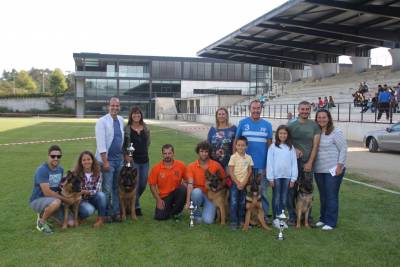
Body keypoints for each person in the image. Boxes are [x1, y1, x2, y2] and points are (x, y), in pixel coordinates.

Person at [235, 100, 273, 222]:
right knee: (246, 191)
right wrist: (235, 159)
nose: (256, 110)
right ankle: (246, 217)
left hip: (262, 165)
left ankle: (264, 216)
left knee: (262, 192)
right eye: (254, 108)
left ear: (261, 109)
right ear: (249, 109)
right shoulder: (242, 123)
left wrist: (269, 165)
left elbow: (270, 147)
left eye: (258, 108)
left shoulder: (267, 125)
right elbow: (236, 142)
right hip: (245, 165)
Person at [287, 101, 321, 226]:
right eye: (303, 109)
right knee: (291, 190)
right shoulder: (291, 125)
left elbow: (316, 145)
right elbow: (284, 139)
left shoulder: (314, 126)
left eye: (307, 109)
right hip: (292, 163)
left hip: (307, 163)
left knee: (307, 190)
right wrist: (294, 148)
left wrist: (310, 162)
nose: (305, 111)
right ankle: (292, 216)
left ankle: (308, 217)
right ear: (298, 109)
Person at [29, 145, 76, 234]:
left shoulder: (60, 169)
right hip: (38, 200)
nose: (56, 158)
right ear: (48, 156)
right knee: (57, 201)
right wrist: (66, 200)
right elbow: (47, 193)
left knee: (71, 223)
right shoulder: (42, 170)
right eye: (53, 156)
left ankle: (47, 214)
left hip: (53, 200)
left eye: (58, 156)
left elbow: (59, 186)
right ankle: (41, 223)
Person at [314, 110, 347, 230]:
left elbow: (343, 148)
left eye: (324, 117)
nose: (321, 119)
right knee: (323, 196)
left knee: (331, 195)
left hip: (333, 169)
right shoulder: (316, 132)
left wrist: (340, 165)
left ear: (329, 118)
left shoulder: (335, 132)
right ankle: (323, 219)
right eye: (319, 117)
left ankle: (331, 222)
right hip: (319, 169)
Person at [95, 97, 124, 222]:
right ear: (108, 106)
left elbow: (120, 139)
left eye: (117, 106)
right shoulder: (101, 121)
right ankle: (105, 214)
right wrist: (105, 161)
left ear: (119, 107)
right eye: (113, 105)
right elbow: (101, 143)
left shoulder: (121, 120)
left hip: (119, 160)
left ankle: (116, 212)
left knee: (116, 188)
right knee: (106, 189)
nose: (115, 108)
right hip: (108, 161)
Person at [185, 141, 226, 224]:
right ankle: (196, 214)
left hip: (211, 195)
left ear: (209, 152)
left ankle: (203, 215)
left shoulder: (216, 165)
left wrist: (219, 189)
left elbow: (224, 178)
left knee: (208, 221)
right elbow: (189, 185)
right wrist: (188, 201)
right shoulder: (191, 166)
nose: (204, 154)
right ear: (198, 152)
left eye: (206, 151)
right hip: (198, 194)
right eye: (202, 151)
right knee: (196, 192)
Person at [267, 125, 298, 229]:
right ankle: (275, 219)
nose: (283, 135)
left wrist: (293, 178)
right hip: (276, 177)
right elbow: (269, 163)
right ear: (277, 135)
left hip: (287, 177)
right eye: (280, 133)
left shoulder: (291, 147)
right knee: (276, 198)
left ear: (287, 135)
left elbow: (294, 163)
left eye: (285, 133)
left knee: (284, 199)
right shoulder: (273, 147)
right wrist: (270, 178)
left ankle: (281, 218)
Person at [124, 106, 151, 216]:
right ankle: (136, 206)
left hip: (145, 160)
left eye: (138, 113)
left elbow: (148, 142)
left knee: (143, 184)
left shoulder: (145, 127)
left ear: (141, 115)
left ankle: (131, 202)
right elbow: (124, 145)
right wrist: (126, 155)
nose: (136, 115)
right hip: (133, 160)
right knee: (136, 183)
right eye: (134, 114)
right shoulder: (127, 129)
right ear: (131, 115)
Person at [148, 144, 186, 221]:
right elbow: (152, 185)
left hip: (176, 194)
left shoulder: (181, 165)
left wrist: (185, 185)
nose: (167, 155)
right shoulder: (156, 168)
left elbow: (188, 180)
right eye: (165, 153)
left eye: (169, 153)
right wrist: (158, 200)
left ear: (173, 154)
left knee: (182, 189)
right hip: (164, 197)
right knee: (159, 217)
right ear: (162, 154)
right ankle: (171, 211)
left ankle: (176, 211)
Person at [73, 150, 107, 228]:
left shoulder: (98, 173)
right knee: (89, 210)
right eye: (84, 160)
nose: (86, 162)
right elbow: (74, 190)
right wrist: (81, 192)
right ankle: (80, 217)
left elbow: (97, 190)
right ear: (80, 162)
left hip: (92, 198)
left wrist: (85, 191)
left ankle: (101, 219)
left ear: (92, 161)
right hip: (80, 200)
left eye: (89, 159)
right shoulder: (76, 173)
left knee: (101, 195)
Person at [228, 136, 253, 229]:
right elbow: (231, 171)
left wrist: (244, 182)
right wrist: (238, 183)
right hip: (235, 183)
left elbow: (249, 171)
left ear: (246, 146)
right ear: (236, 146)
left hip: (244, 184)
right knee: (234, 202)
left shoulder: (249, 157)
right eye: (238, 145)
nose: (241, 147)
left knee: (243, 203)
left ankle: (242, 221)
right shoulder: (233, 157)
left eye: (243, 145)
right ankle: (234, 222)